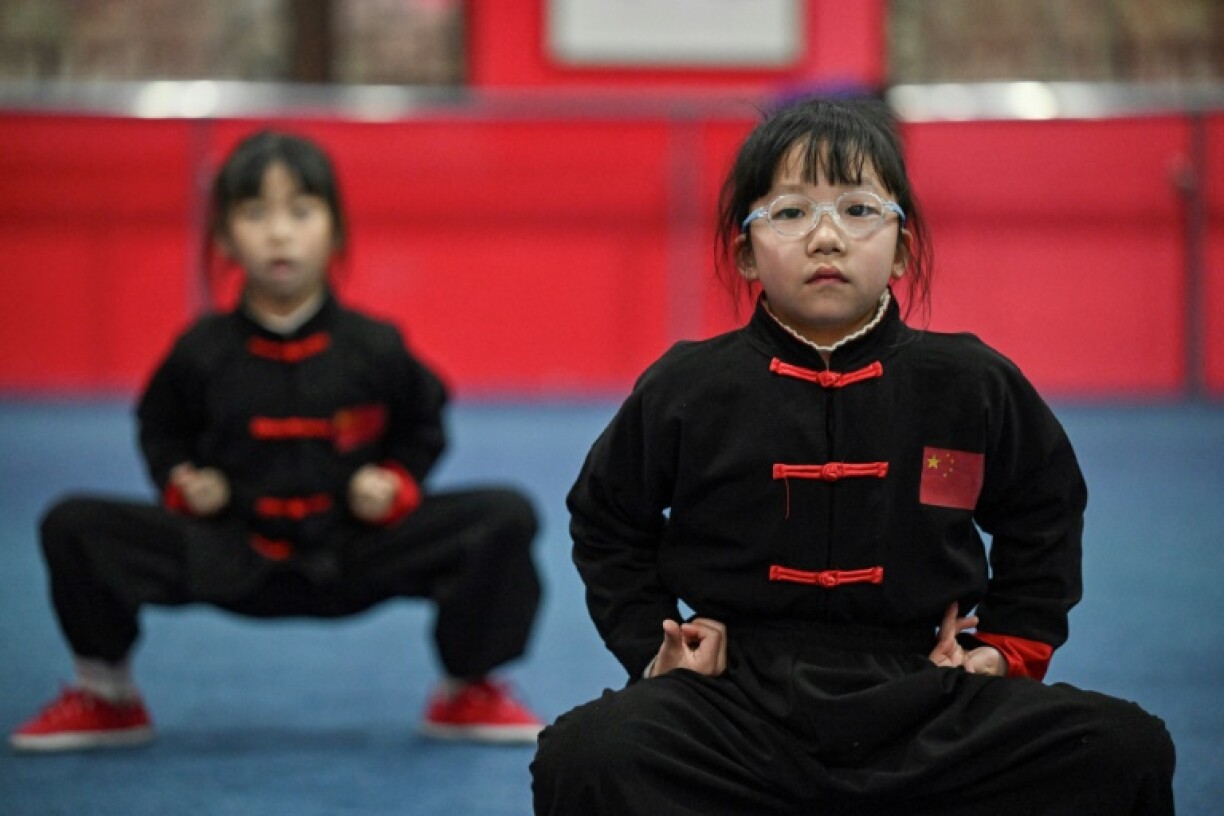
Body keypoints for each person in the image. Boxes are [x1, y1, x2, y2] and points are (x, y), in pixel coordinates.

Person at [531, 96, 1175, 815]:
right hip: (736, 699)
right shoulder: (689, 385)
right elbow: (607, 520)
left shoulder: (969, 382)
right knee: (587, 756)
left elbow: (1044, 510)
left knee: (1123, 749)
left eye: (859, 210)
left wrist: (1004, 647)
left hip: (924, 694)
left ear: (901, 247)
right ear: (745, 251)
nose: (827, 238)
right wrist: (656, 648)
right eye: (790, 212)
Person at [10, 130, 543, 752]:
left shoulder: (376, 347)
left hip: (353, 550)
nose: (280, 233)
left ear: (336, 230)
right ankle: (106, 693)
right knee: (74, 525)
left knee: (504, 515)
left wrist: (397, 482)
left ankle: (468, 689)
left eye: (301, 211)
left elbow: (424, 426)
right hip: (230, 549)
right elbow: (160, 429)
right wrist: (181, 479)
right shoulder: (200, 351)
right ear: (227, 237)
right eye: (256, 213)